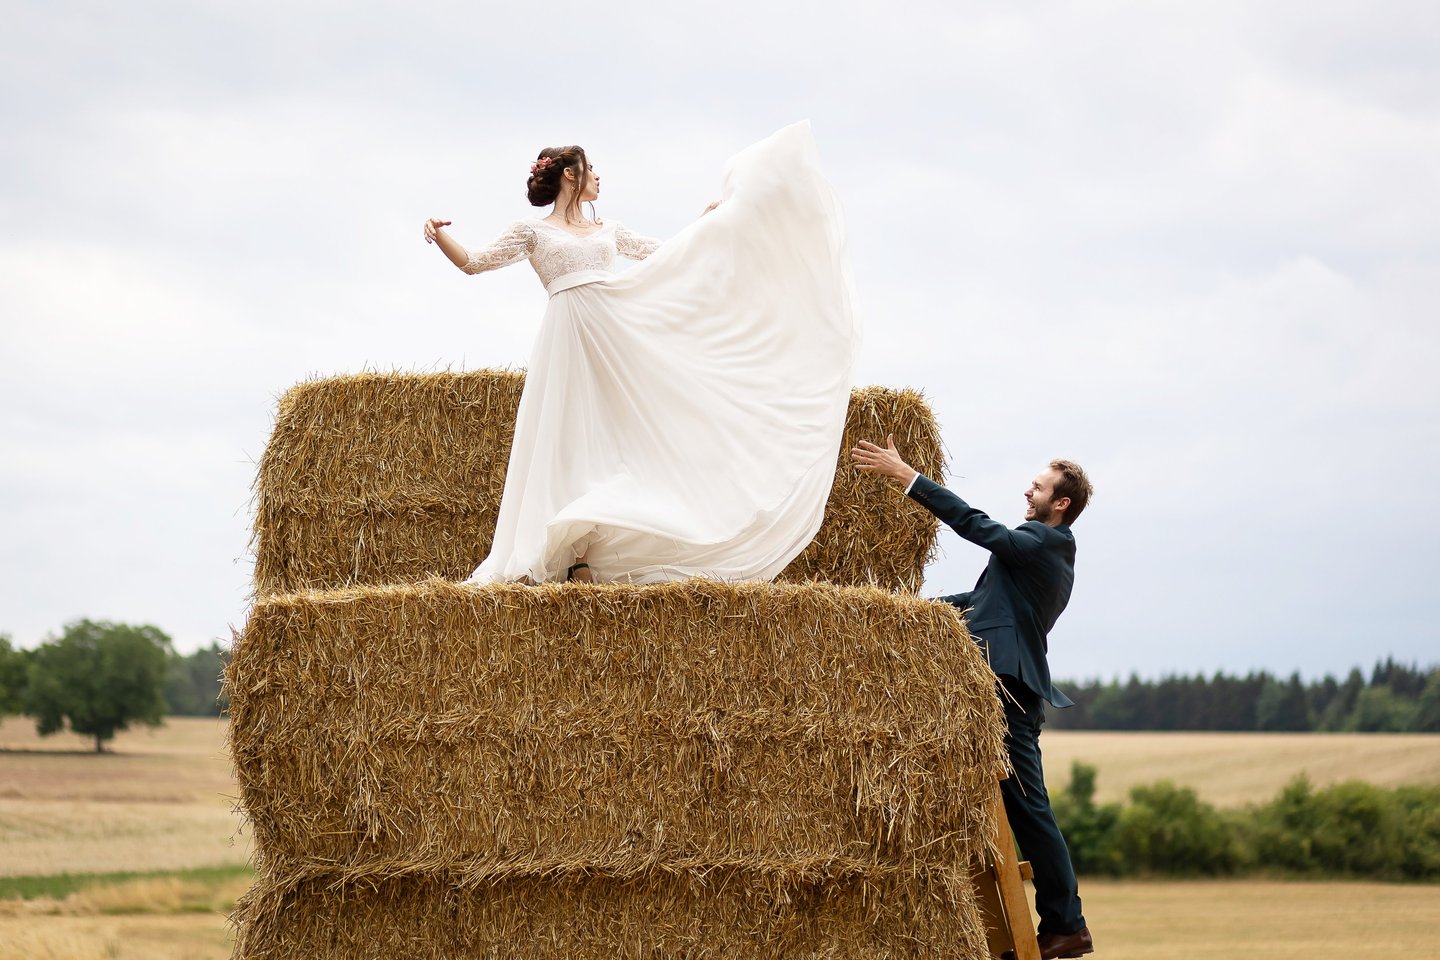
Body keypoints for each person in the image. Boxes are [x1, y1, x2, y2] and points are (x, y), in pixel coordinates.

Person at [424, 122, 858, 585]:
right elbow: (475, 262)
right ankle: (571, 550)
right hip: (568, 337)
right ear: (570, 174)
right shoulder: (531, 231)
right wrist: (437, 233)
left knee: (615, 436)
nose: (598, 177)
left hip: (615, 331)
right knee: (570, 435)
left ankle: (587, 548)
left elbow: (668, 255)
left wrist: (708, 224)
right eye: (591, 169)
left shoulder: (609, 229)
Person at [851, 435, 1096, 960]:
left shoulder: (1046, 543)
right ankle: (1022, 926)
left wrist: (906, 476)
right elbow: (979, 604)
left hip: (1008, 688)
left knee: (1030, 809)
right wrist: (895, 610)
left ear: (1061, 504)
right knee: (1004, 806)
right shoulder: (1029, 555)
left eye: (1039, 486)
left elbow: (976, 525)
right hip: (995, 683)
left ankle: (1067, 924)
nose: (1027, 490)